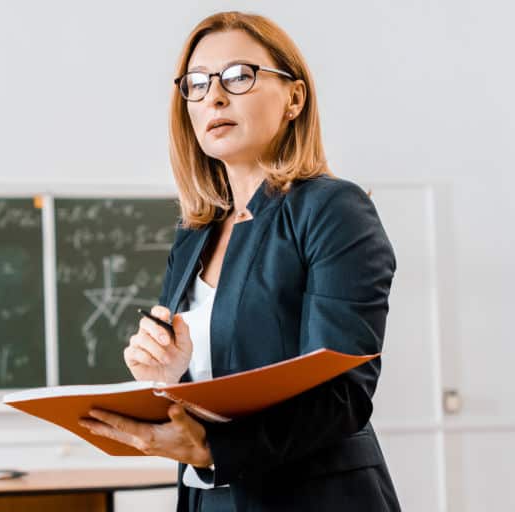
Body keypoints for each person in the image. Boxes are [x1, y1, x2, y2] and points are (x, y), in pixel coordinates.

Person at [77, 11, 401, 511]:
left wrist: (212, 449)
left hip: (314, 499)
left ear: (294, 98)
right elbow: (210, 385)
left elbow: (342, 392)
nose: (215, 96)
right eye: (198, 83)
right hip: (211, 500)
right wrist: (169, 374)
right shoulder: (193, 236)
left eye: (238, 76)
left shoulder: (332, 209)